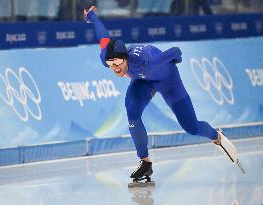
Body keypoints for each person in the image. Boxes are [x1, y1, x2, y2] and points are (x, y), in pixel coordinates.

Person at [83, 6, 240, 183]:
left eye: (118, 62)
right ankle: (145, 162)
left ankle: (217, 137)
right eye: (111, 65)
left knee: (191, 128)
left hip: (167, 80)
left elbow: (174, 51)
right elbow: (103, 37)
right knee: (132, 112)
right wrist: (92, 17)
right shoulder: (107, 57)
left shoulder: (147, 62)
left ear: (125, 57)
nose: (116, 68)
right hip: (143, 81)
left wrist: (177, 59)